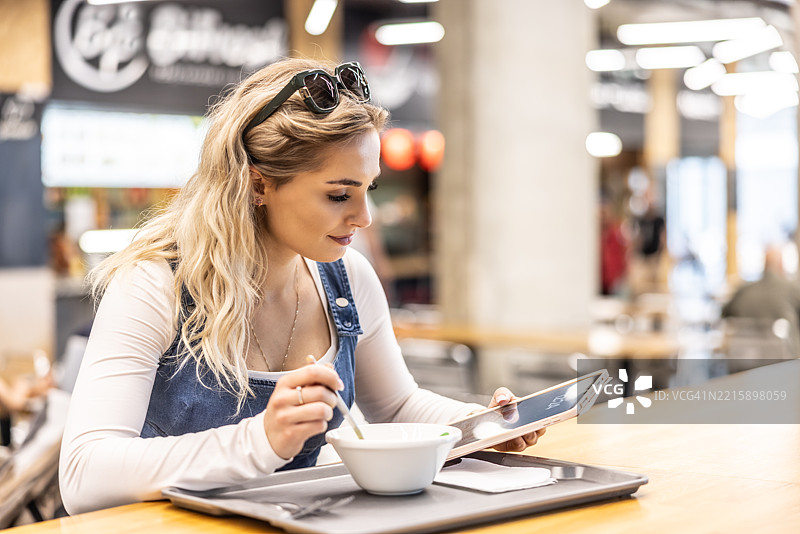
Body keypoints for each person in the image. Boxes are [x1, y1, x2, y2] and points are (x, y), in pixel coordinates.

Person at [58, 58, 545, 515]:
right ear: (257, 185)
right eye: (339, 194)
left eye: (368, 189)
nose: (364, 217)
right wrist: (260, 441)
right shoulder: (154, 284)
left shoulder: (348, 278)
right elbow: (83, 475)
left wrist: (480, 425)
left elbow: (397, 407)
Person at [721, 245, 800, 354]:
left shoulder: (743, 291)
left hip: (746, 359)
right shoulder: (792, 290)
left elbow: (724, 314)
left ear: (764, 265)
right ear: (782, 266)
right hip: (786, 360)